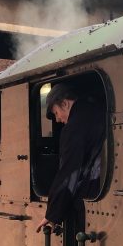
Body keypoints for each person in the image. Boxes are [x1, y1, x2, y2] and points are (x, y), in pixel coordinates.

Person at [33, 82, 106, 233]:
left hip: (89, 194)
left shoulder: (73, 127)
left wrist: (52, 214)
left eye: (56, 113)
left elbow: (69, 172)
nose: (58, 120)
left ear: (65, 104)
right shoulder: (99, 112)